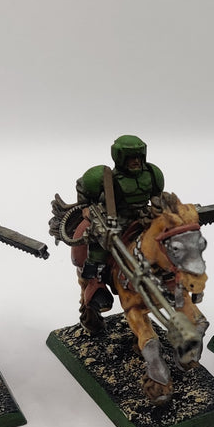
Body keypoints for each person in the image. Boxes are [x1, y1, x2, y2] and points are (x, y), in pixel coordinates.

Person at [74, 134, 165, 316]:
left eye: (138, 157)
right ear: (120, 157)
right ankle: (95, 283)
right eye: (131, 158)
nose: (136, 161)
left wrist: (160, 209)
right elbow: (82, 187)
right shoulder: (103, 177)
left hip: (144, 216)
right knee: (101, 238)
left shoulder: (152, 173)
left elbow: (157, 196)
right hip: (116, 217)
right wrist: (86, 207)